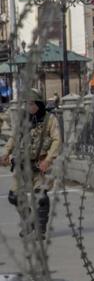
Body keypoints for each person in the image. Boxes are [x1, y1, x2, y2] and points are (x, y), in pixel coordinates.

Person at [1, 88, 61, 239]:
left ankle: (40, 230)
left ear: (39, 104)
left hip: (39, 164)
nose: (29, 107)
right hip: (22, 164)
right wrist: (5, 153)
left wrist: (48, 160)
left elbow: (57, 140)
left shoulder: (50, 119)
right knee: (14, 196)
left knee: (41, 197)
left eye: (32, 103)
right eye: (26, 104)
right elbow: (13, 138)